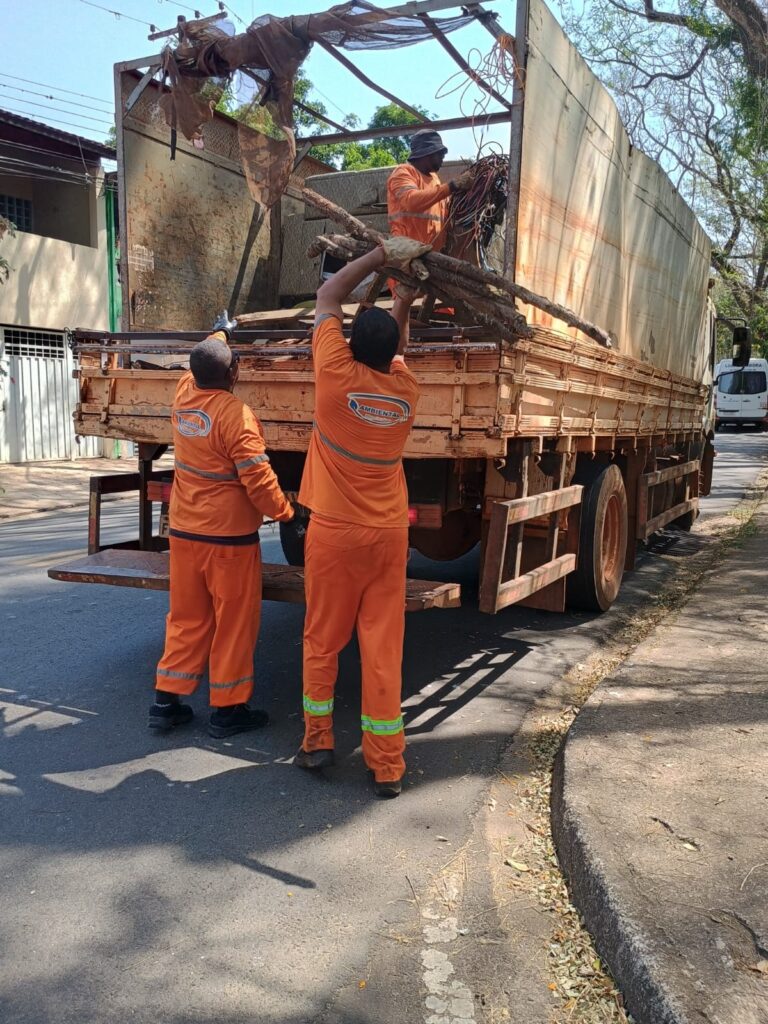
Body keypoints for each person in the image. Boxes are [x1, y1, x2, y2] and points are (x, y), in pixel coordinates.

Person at [294, 238, 431, 798]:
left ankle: (318, 741)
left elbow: (328, 293)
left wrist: (379, 255)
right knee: (382, 649)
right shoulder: (404, 392)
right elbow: (396, 350)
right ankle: (387, 766)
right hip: (388, 537)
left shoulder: (334, 376)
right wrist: (404, 300)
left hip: (334, 532)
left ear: (349, 346)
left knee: (323, 640)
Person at [149, 312, 295, 738]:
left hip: (185, 534)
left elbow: (201, 359)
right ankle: (229, 711)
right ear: (234, 372)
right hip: (228, 541)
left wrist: (221, 331)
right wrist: (285, 511)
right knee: (233, 622)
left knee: (186, 618)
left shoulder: (182, 397)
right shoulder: (237, 416)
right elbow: (258, 479)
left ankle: (166, 701)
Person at [386, 128, 473, 329]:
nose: (443, 158)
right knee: (403, 315)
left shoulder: (434, 180)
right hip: (407, 259)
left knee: (441, 316)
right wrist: (452, 186)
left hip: (431, 261)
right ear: (427, 153)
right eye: (440, 154)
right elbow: (410, 201)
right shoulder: (403, 173)